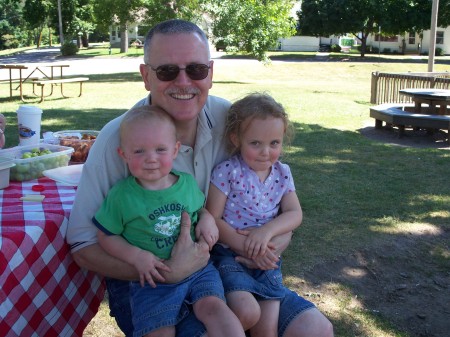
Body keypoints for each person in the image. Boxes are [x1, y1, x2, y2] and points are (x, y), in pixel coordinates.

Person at [67, 19, 334, 337]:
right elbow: (83, 245)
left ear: (210, 72)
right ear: (145, 76)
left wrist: (275, 240)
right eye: (167, 71)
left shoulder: (234, 122)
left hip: (229, 265)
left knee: (315, 329)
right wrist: (166, 271)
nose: (184, 82)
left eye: (195, 69)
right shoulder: (117, 140)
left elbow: (270, 193)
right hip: (150, 288)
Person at [93, 105, 244, 337]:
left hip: (198, 270)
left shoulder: (186, 184)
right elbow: (105, 235)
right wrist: (136, 256)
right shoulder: (121, 196)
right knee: (159, 330)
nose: (151, 159)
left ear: (175, 150)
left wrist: (206, 220)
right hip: (152, 281)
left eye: (160, 149)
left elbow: (200, 210)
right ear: (123, 154)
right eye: (139, 151)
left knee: (216, 309)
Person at [205, 93, 302, 336]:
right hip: (230, 258)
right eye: (255, 143)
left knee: (267, 330)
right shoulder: (227, 171)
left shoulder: (282, 173)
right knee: (247, 312)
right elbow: (212, 218)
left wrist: (266, 232)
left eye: (274, 143)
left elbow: (294, 213)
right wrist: (247, 246)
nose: (265, 152)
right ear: (236, 139)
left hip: (268, 261)